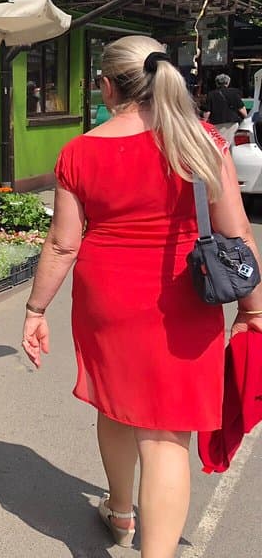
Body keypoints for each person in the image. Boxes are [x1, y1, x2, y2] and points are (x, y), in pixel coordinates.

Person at [21, 36, 262, 558]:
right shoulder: (201, 143)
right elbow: (238, 235)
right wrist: (252, 310)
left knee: (116, 403)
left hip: (108, 301)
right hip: (186, 303)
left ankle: (122, 515)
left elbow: (64, 244)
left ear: (107, 86)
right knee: (167, 437)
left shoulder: (80, 151)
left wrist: (35, 310)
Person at [202, 73, 246, 146]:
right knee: (231, 145)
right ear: (228, 82)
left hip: (216, 124)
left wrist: (204, 123)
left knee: (219, 145)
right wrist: (246, 119)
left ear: (216, 83)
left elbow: (208, 112)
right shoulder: (234, 93)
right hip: (232, 123)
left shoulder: (211, 94)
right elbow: (242, 109)